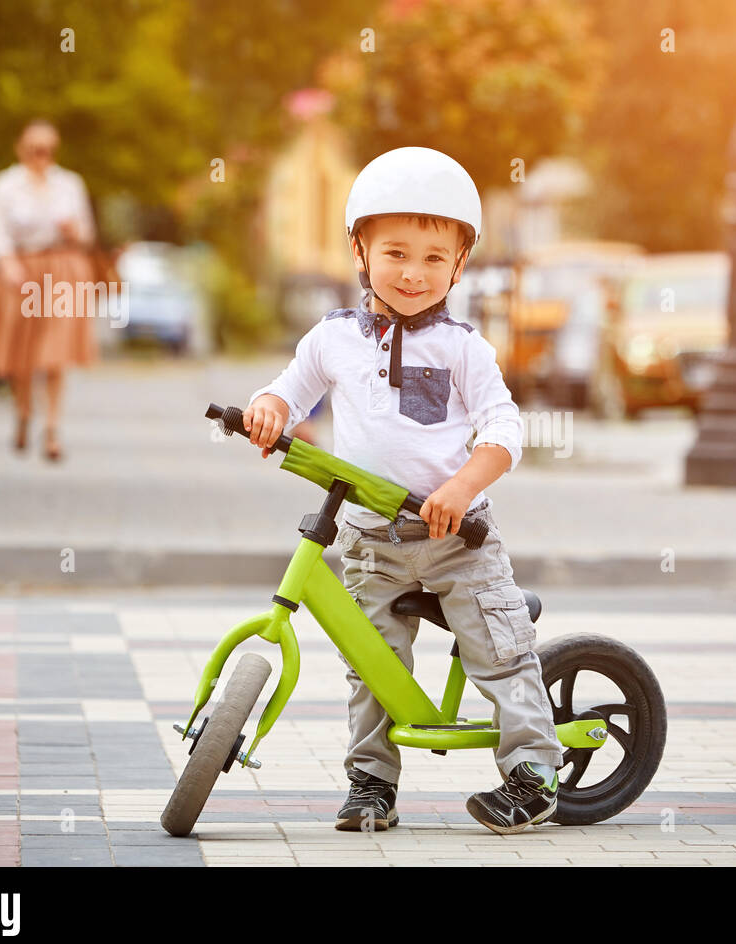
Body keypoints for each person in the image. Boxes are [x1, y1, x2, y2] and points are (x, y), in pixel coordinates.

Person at [241, 147, 564, 835]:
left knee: (499, 653)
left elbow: (505, 429)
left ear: (459, 265)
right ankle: (371, 784)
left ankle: (534, 773)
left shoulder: (462, 348)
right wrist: (268, 409)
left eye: (433, 259)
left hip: (457, 542)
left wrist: (463, 483)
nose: (414, 274)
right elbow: (288, 390)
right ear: (358, 251)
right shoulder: (334, 338)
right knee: (370, 665)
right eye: (395, 253)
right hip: (369, 540)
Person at [0, 119, 99, 462]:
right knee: (22, 355)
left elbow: (87, 235)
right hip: (20, 271)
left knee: (55, 354)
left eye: (47, 149)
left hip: (63, 270)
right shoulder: (4, 185)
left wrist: (74, 232)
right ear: (21, 148)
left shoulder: (69, 184)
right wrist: (7, 264)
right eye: (35, 148)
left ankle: (51, 429)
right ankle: (23, 413)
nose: (41, 155)